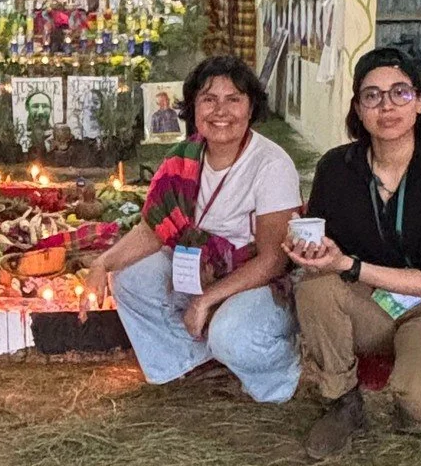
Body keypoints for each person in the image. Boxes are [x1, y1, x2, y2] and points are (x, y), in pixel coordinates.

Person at [289, 46, 421, 458]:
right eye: (372, 95)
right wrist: (308, 251)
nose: (387, 106)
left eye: (400, 92)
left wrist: (349, 265)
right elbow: (326, 248)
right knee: (314, 287)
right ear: (358, 109)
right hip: (368, 303)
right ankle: (343, 401)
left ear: (419, 102)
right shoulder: (336, 169)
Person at [83, 54, 302, 404]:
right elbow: (153, 230)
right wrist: (102, 263)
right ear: (193, 107)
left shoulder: (272, 165)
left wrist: (205, 301)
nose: (221, 111)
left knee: (231, 334)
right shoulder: (183, 158)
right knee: (130, 278)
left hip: (259, 282)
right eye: (209, 99)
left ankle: (282, 374)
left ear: (251, 107)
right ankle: (192, 361)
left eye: (233, 99)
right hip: (200, 270)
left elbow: (274, 260)